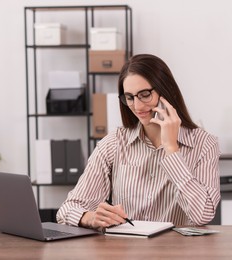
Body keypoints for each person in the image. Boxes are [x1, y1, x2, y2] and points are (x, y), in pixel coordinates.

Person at [56, 54, 221, 229]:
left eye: (144, 94)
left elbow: (203, 215)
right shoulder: (114, 143)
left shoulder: (204, 144)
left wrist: (172, 150)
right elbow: (67, 210)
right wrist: (91, 217)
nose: (138, 106)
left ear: (167, 92)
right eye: (129, 97)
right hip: (127, 251)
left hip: (176, 252)